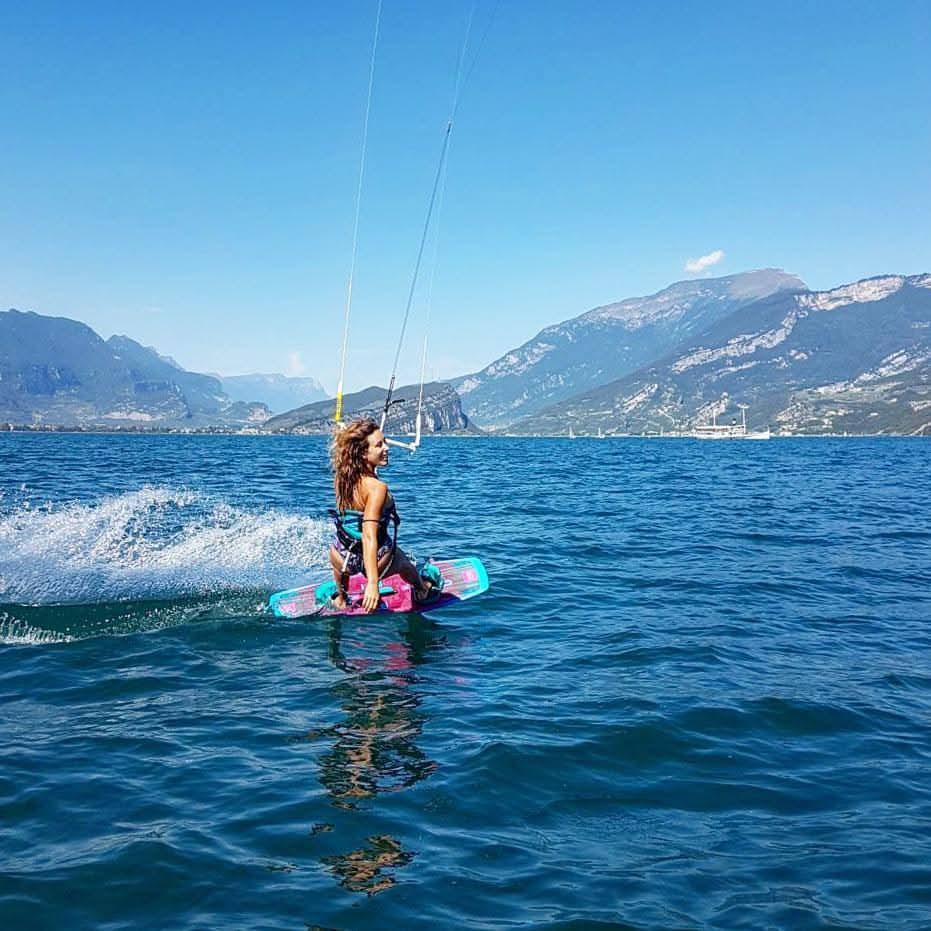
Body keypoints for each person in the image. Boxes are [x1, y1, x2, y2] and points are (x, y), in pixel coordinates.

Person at [329, 418, 440, 612]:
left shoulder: (343, 476)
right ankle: (423, 589)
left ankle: (341, 597)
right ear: (363, 453)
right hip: (373, 561)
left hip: (340, 556)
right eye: (379, 445)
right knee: (403, 560)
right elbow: (369, 534)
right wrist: (372, 583)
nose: (387, 448)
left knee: (344, 542)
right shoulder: (377, 488)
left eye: (385, 441)